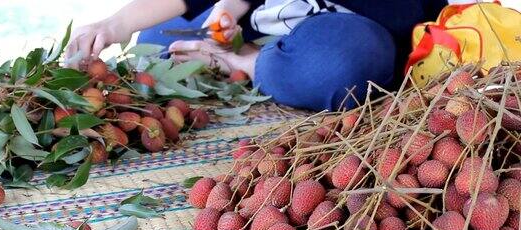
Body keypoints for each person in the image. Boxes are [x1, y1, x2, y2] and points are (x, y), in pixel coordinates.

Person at [66, 0, 473, 111]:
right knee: (154, 41)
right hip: (268, 22)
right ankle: (241, 56)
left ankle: (246, 63)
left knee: (341, 66)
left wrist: (245, 55)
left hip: (350, 32)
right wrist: (113, 25)